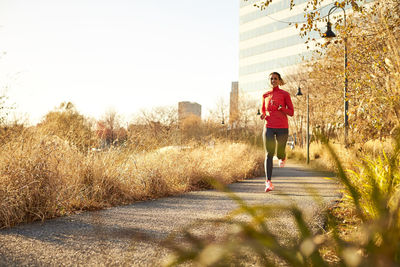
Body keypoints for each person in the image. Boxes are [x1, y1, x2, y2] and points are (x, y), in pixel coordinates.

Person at [260, 72, 294, 192]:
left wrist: (281, 108)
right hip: (269, 125)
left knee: (279, 153)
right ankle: (268, 182)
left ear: (279, 80)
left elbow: (291, 112)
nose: (273, 80)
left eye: (275, 78)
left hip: (282, 126)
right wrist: (263, 115)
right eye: (271, 79)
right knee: (269, 153)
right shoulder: (265, 95)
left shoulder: (285, 94)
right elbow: (263, 110)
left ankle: (282, 157)